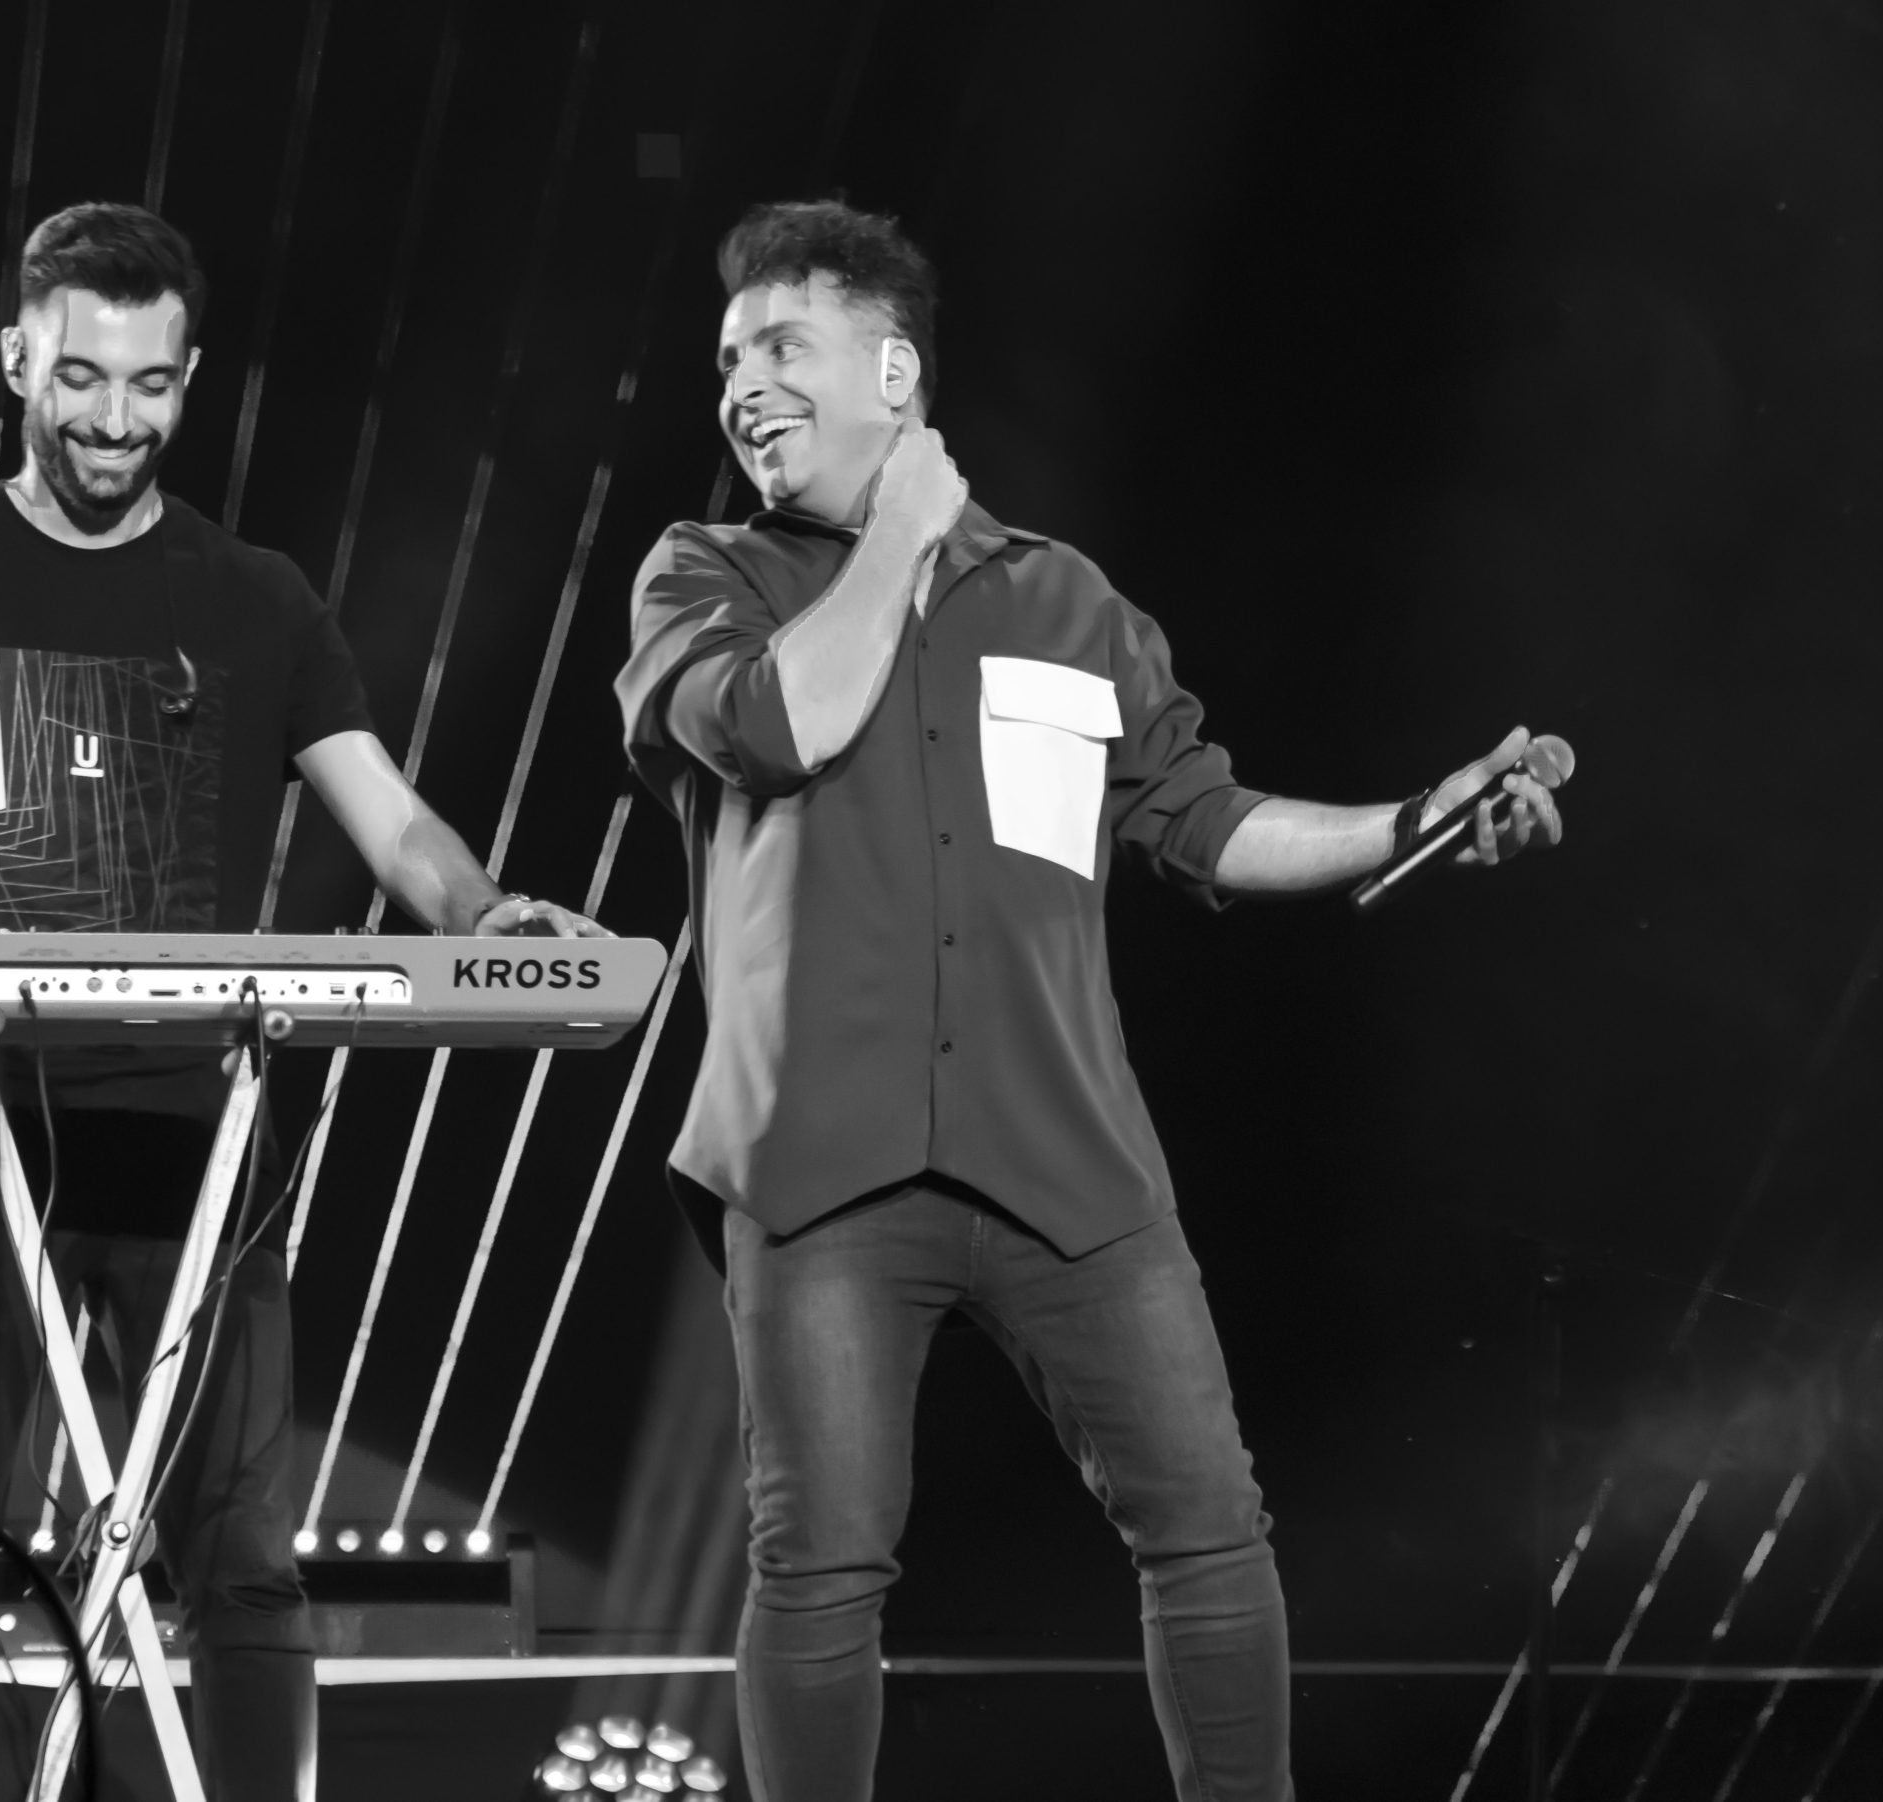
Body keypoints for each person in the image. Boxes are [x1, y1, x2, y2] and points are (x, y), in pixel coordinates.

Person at [614, 199, 1565, 1802]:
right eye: (728, 363)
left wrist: (1415, 818)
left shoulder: (1066, 603)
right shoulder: (704, 577)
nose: (742, 388)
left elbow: (1206, 819)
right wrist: (902, 535)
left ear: (894, 371)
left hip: (1065, 1158)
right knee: (820, 1562)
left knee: (1211, 1532)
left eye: (781, 348)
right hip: (821, 1161)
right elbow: (781, 724)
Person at [0, 201, 602, 1802]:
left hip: (198, 1142)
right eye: (80, 377)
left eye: (150, 385)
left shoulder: (256, 597)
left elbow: (396, 827)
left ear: (191, 377)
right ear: (17, 356)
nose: (113, 420)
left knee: (245, 1561)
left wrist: (489, 913)